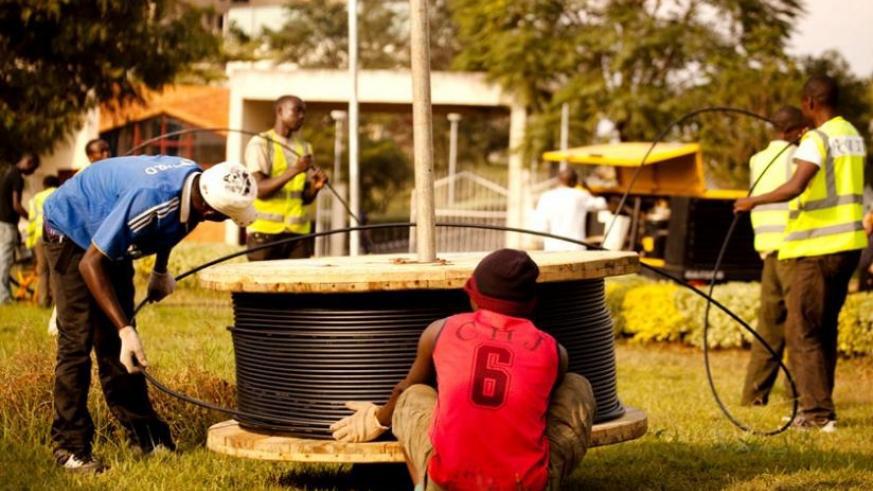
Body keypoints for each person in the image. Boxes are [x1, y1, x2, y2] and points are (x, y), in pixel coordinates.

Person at [42, 156, 257, 472]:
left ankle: (148, 438)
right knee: (77, 342)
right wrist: (124, 329)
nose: (224, 221)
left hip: (109, 235)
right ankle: (70, 448)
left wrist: (160, 270)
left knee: (120, 350)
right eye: (226, 218)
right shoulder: (150, 199)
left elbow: (176, 222)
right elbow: (90, 263)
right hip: (72, 231)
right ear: (211, 211)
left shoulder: (198, 184)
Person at [330, 249, 596, 490]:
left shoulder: (440, 331)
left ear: (474, 298)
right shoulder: (554, 352)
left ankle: (425, 486)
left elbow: (403, 391)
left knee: (413, 394)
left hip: (448, 483)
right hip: (521, 485)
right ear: (532, 303)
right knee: (577, 386)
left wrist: (377, 419)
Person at [735, 76, 867, 431]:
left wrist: (752, 201)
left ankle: (816, 413)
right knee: (823, 330)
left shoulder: (816, 139)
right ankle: (820, 407)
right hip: (848, 246)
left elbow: (796, 185)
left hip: (815, 248)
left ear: (810, 102)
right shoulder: (852, 135)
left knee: (801, 330)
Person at [740, 106, 808, 406]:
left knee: (768, 327)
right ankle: (802, 397)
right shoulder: (798, 157)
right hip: (793, 248)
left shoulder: (757, 159)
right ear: (794, 130)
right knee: (800, 326)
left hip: (767, 248)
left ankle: (753, 395)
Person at [244, 95, 328, 260]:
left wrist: (315, 187)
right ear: (280, 111)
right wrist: (295, 170)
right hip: (264, 233)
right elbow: (260, 190)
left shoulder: (305, 147)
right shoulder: (261, 143)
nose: (302, 116)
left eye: (304, 112)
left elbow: (304, 198)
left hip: (298, 234)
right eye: (297, 111)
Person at [534, 168, 607, 251]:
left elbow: (541, 226)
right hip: (575, 247)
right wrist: (589, 190)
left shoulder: (546, 197)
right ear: (575, 182)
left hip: (553, 247)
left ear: (558, 180)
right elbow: (602, 204)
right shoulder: (580, 195)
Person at [1, 153, 40, 304]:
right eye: (33, 169)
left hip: (3, 223)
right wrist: (32, 218)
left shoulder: (8, 172)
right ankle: (3, 297)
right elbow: (16, 205)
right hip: (7, 224)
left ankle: (5, 294)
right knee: (5, 261)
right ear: (29, 163)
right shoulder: (17, 177)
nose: (31, 173)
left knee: (4, 260)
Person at [25, 175, 60, 308]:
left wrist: (29, 243)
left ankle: (43, 301)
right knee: (56, 269)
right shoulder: (60, 194)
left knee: (42, 270)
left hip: (39, 236)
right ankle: (57, 302)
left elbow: (31, 222)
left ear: (44, 185)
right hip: (56, 236)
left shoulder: (35, 199)